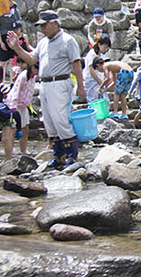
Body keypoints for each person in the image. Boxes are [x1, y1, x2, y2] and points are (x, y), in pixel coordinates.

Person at [7, 10, 85, 168]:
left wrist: (81, 87)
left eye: (45, 25)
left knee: (60, 118)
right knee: (48, 120)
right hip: (44, 83)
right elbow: (31, 59)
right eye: (40, 26)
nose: (42, 29)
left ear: (55, 23)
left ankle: (71, 156)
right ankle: (58, 155)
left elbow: (76, 64)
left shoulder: (68, 40)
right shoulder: (42, 43)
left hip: (60, 82)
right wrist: (16, 48)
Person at [6, 62, 36, 154]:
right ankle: (9, 153)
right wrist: (13, 107)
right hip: (15, 105)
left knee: (25, 128)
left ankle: (24, 151)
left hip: (23, 105)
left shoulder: (33, 77)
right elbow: (16, 90)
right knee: (13, 129)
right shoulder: (23, 76)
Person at [0, 0, 23, 68]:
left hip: (13, 36)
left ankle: (12, 79)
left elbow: (18, 25)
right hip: (3, 37)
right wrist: (1, 42)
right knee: (2, 61)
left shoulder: (15, 11)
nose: (11, 1)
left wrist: (17, 39)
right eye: (9, 0)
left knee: (12, 60)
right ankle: (0, 78)